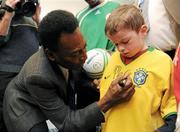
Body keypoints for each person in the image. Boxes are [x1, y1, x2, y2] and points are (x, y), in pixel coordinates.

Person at [3, 9, 135, 132]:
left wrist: (92, 84)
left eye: (85, 47)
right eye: (76, 53)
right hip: (23, 107)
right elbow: (67, 123)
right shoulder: (38, 76)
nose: (85, 56)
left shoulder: (70, 50)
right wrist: (108, 100)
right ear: (51, 55)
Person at [100, 4, 177, 132]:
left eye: (125, 41)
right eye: (116, 44)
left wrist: (169, 125)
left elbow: (170, 99)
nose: (120, 48)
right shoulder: (113, 59)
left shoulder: (162, 61)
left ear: (143, 30)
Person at [0, 0, 40, 131]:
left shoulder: (30, 17)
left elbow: (43, 42)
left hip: (28, 74)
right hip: (6, 75)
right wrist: (8, 11)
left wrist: (38, 19)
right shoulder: (4, 14)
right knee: (5, 118)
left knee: (25, 118)